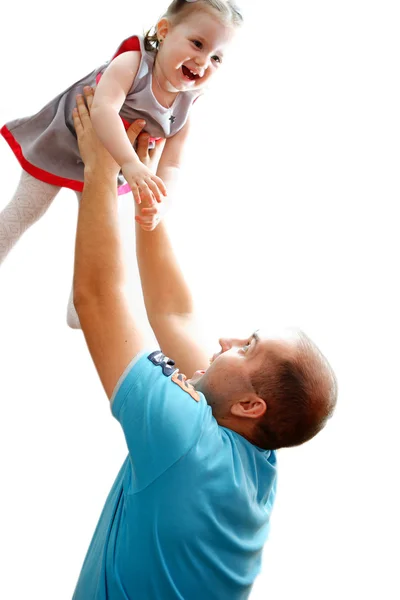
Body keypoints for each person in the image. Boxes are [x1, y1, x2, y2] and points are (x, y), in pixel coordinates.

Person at [70, 88, 337, 599]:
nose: (225, 339)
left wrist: (100, 166)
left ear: (251, 403)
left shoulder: (186, 440)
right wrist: (147, 201)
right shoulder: (253, 455)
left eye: (248, 345)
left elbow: (98, 299)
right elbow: (176, 312)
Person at [0, 0, 242, 328]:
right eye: (197, 44)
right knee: (25, 211)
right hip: (64, 139)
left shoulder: (188, 104)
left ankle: (81, 305)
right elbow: (102, 110)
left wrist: (162, 201)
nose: (203, 61)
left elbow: (173, 163)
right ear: (164, 31)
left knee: (100, 232)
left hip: (110, 169)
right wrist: (131, 163)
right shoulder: (134, 62)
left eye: (216, 57)